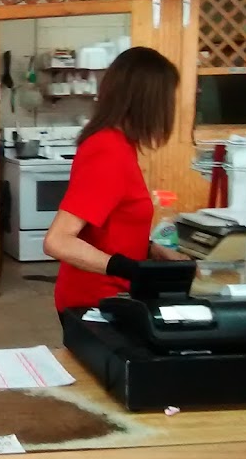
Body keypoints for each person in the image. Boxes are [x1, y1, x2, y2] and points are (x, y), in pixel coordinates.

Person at [43, 46, 185, 317]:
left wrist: (151, 250)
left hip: (110, 298)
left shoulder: (120, 145)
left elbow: (110, 229)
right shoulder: (108, 151)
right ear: (149, 102)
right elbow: (58, 241)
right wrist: (132, 269)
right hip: (96, 304)